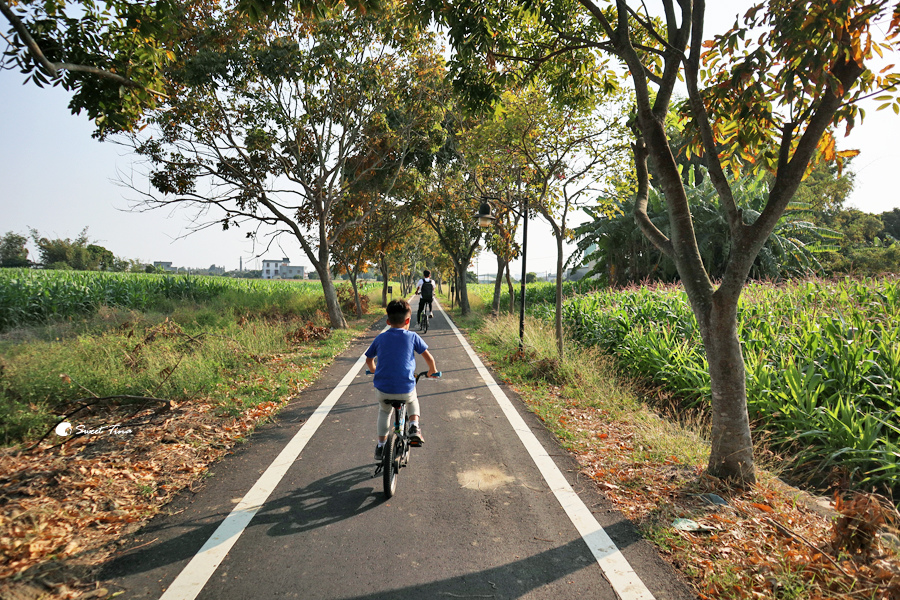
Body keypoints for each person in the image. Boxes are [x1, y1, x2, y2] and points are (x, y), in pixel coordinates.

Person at [365, 299, 438, 461]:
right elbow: (429, 359)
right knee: (412, 399)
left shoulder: (380, 338)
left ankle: (380, 445)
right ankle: (414, 426)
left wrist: (374, 371)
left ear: (388, 321)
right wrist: (432, 371)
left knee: (384, 411)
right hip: (404, 388)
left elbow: (369, 360)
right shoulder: (413, 336)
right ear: (408, 321)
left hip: (383, 388)